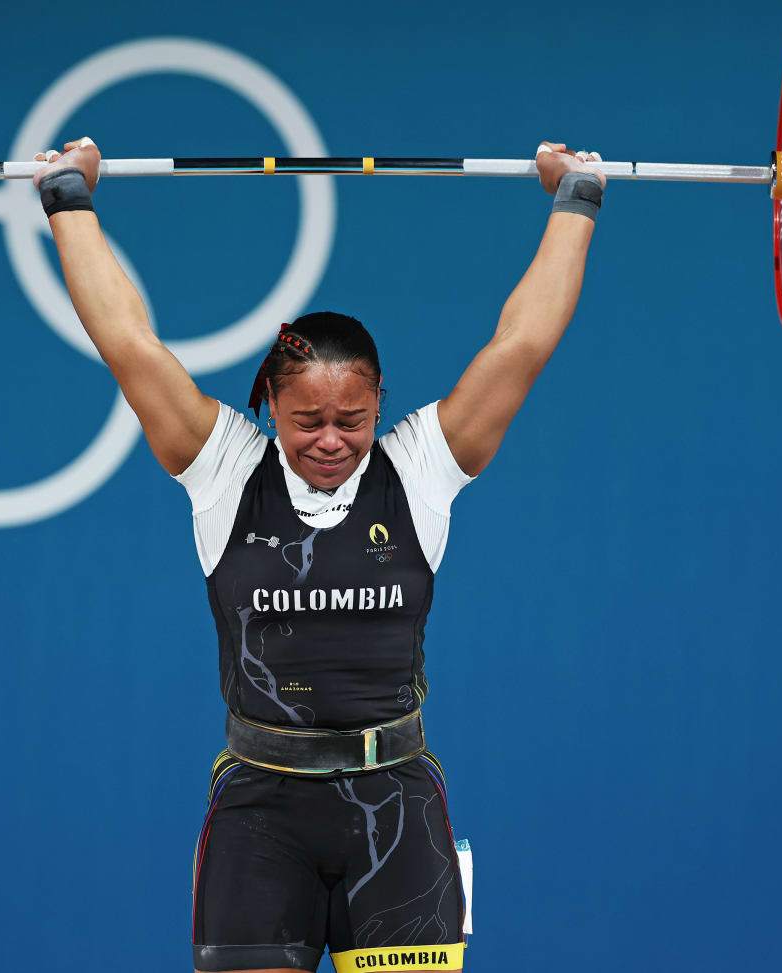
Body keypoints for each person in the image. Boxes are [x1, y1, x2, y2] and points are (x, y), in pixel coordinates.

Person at [32, 137, 605, 973]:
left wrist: (576, 199)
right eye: (308, 423)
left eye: (354, 419)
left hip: (397, 807)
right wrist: (68, 199)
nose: (332, 441)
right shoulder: (226, 468)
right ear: (268, 404)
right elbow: (129, 344)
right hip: (261, 809)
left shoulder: (419, 468)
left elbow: (521, 346)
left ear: (381, 404)